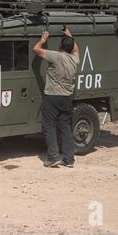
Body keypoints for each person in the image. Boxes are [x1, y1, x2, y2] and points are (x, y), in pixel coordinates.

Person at [33, 28, 80, 168]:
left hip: (52, 96)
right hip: (66, 98)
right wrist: (70, 37)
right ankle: (69, 159)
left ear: (60, 47)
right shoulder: (75, 59)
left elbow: (35, 49)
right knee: (65, 128)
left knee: (49, 127)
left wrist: (43, 39)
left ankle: (53, 157)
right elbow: (76, 49)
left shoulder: (55, 56)